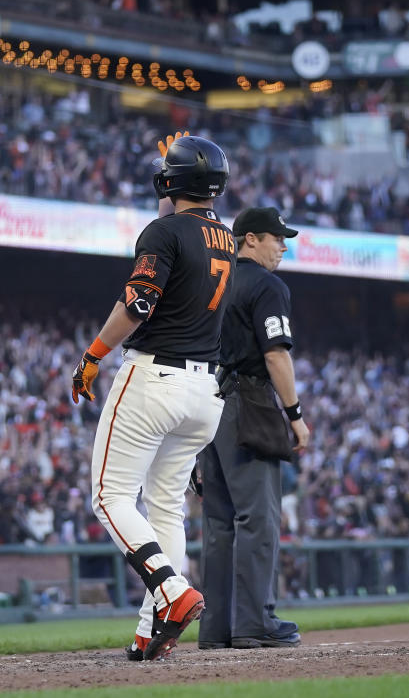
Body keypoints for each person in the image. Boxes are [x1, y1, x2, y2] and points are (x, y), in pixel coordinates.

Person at [71, 133, 235, 661]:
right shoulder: (226, 238)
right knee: (165, 506)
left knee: (110, 498)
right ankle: (149, 631)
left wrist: (93, 354)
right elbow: (184, 228)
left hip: (154, 379)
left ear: (173, 182)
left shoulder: (162, 231)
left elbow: (137, 304)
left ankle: (169, 592)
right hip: (205, 391)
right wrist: (181, 167)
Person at [197, 207, 309, 650]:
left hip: (205, 404)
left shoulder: (212, 284)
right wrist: (295, 415)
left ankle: (218, 628)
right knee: (258, 518)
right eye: (276, 238)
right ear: (250, 240)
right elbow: (276, 354)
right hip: (248, 402)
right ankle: (255, 623)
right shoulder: (267, 285)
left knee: (220, 523)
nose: (283, 246)